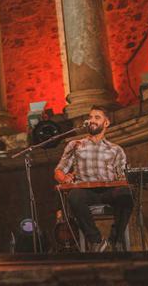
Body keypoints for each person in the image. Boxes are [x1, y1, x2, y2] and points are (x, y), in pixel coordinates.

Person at [54, 105, 133, 252]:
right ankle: (96, 241)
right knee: (74, 196)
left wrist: (125, 180)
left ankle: (115, 240)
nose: (92, 120)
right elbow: (59, 171)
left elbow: (122, 175)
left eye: (97, 118)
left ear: (106, 123)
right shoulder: (76, 145)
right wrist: (64, 178)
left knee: (126, 195)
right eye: (90, 117)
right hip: (86, 192)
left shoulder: (116, 150)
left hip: (109, 191)